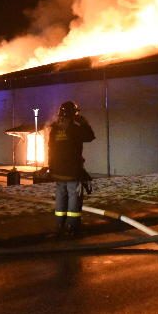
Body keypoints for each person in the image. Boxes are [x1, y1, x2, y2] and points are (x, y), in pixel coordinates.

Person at [48, 101, 95, 237]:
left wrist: (51, 168)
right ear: (74, 114)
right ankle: (72, 226)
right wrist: (84, 123)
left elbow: (50, 149)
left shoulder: (55, 129)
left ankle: (59, 224)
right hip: (72, 172)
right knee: (74, 198)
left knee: (61, 198)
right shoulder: (75, 129)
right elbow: (90, 137)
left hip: (57, 171)